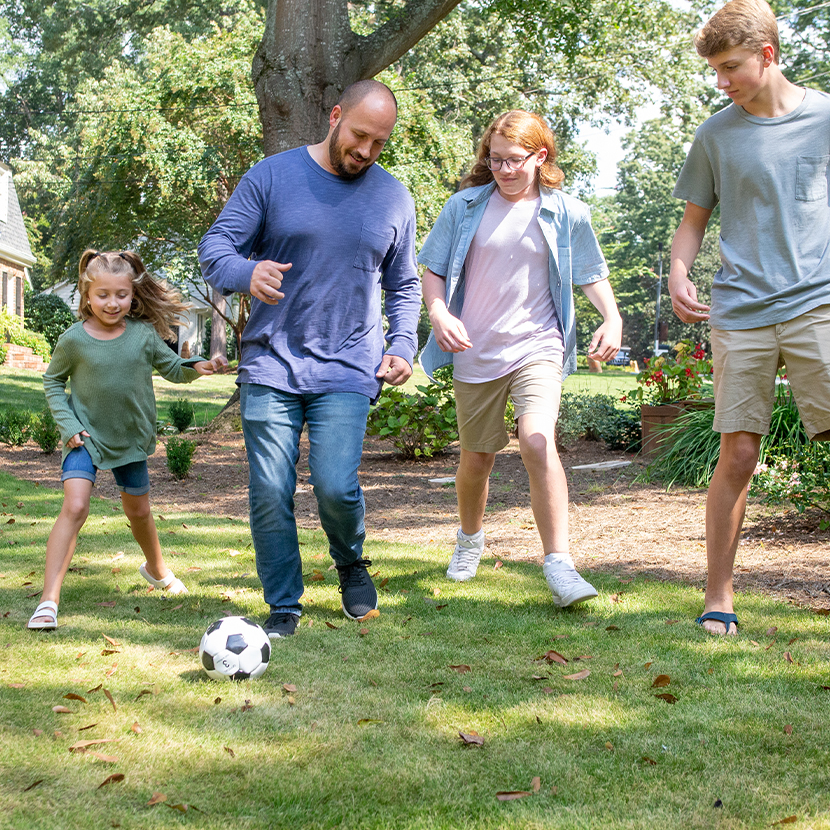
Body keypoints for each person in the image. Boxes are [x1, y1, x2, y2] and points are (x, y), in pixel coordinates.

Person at [198, 80, 420, 639]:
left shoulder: (394, 197)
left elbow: (405, 285)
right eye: (359, 135)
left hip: (347, 364)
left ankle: (350, 564)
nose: (366, 151)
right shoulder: (272, 175)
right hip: (271, 361)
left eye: (379, 142)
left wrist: (402, 344)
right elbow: (215, 249)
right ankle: (284, 603)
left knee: (335, 484)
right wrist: (247, 272)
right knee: (270, 488)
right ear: (335, 116)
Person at [669, 0, 830, 635]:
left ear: (767, 55)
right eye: (715, 70)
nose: (722, 81)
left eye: (730, 67)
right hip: (741, 312)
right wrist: (680, 271)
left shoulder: (825, 117)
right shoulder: (716, 135)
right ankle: (719, 597)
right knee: (737, 452)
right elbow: (692, 225)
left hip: (819, 301)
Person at [419, 110, 622, 607]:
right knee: (477, 458)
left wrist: (612, 318)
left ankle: (560, 564)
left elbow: (591, 271)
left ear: (540, 157)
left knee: (536, 439)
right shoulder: (464, 207)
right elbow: (434, 269)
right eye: (495, 161)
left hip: (539, 343)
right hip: (475, 347)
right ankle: (469, 541)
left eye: (514, 161)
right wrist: (440, 313)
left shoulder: (567, 211)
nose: (504, 170)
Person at [28, 250, 227, 630]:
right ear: (87, 295)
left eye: (121, 294)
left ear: (132, 296)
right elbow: (53, 381)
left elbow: (171, 368)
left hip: (130, 439)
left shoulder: (142, 335)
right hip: (84, 438)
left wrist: (197, 366)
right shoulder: (74, 341)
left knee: (139, 513)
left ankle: (157, 570)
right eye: (102, 294)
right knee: (75, 507)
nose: (112, 302)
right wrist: (69, 425)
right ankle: (48, 602)